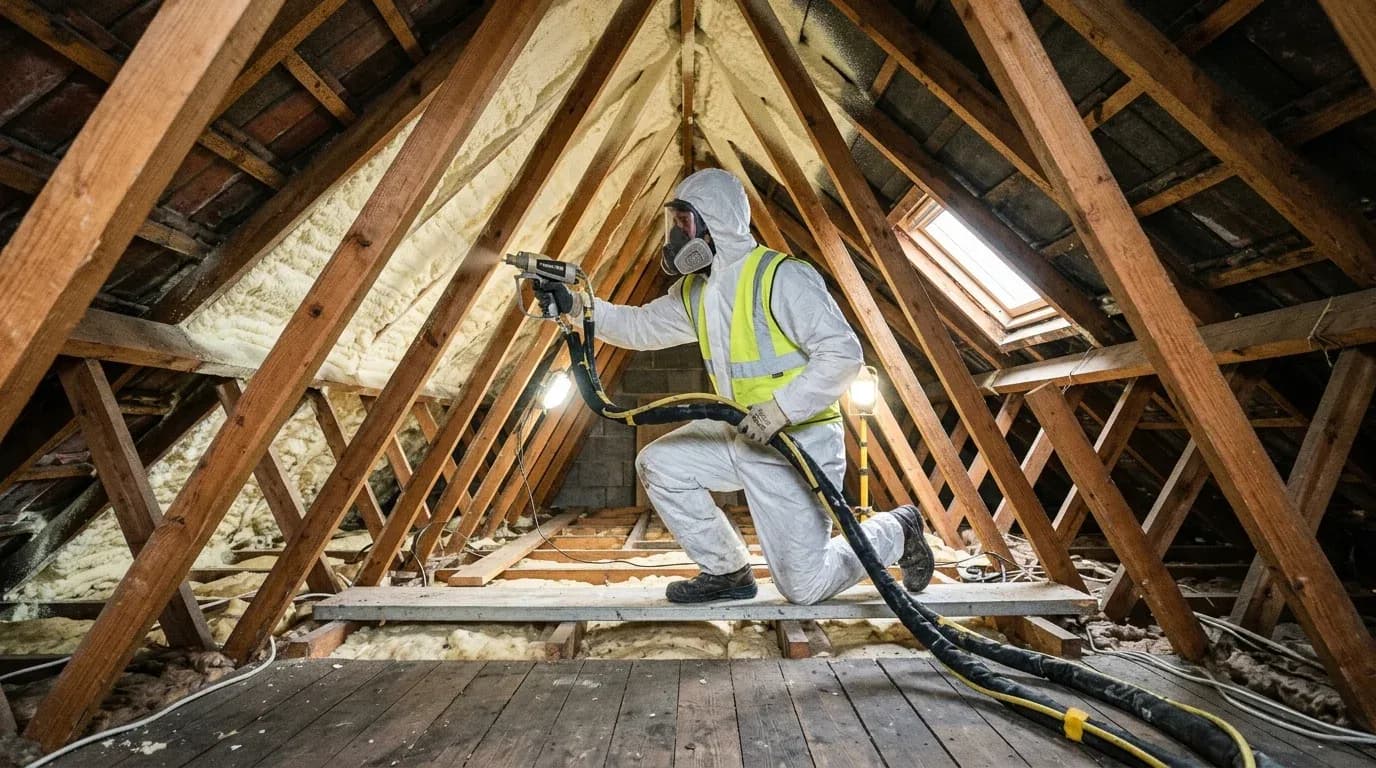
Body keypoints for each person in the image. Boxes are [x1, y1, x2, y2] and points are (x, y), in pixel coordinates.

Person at [536, 168, 933, 605]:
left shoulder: (780, 277)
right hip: (741, 434)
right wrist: (576, 306)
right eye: (674, 224)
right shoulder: (697, 291)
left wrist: (781, 410)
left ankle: (898, 529)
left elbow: (842, 354)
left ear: (715, 220)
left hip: (797, 443)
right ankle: (727, 571)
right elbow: (640, 326)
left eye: (683, 223)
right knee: (661, 464)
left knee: (806, 586)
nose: (675, 236)